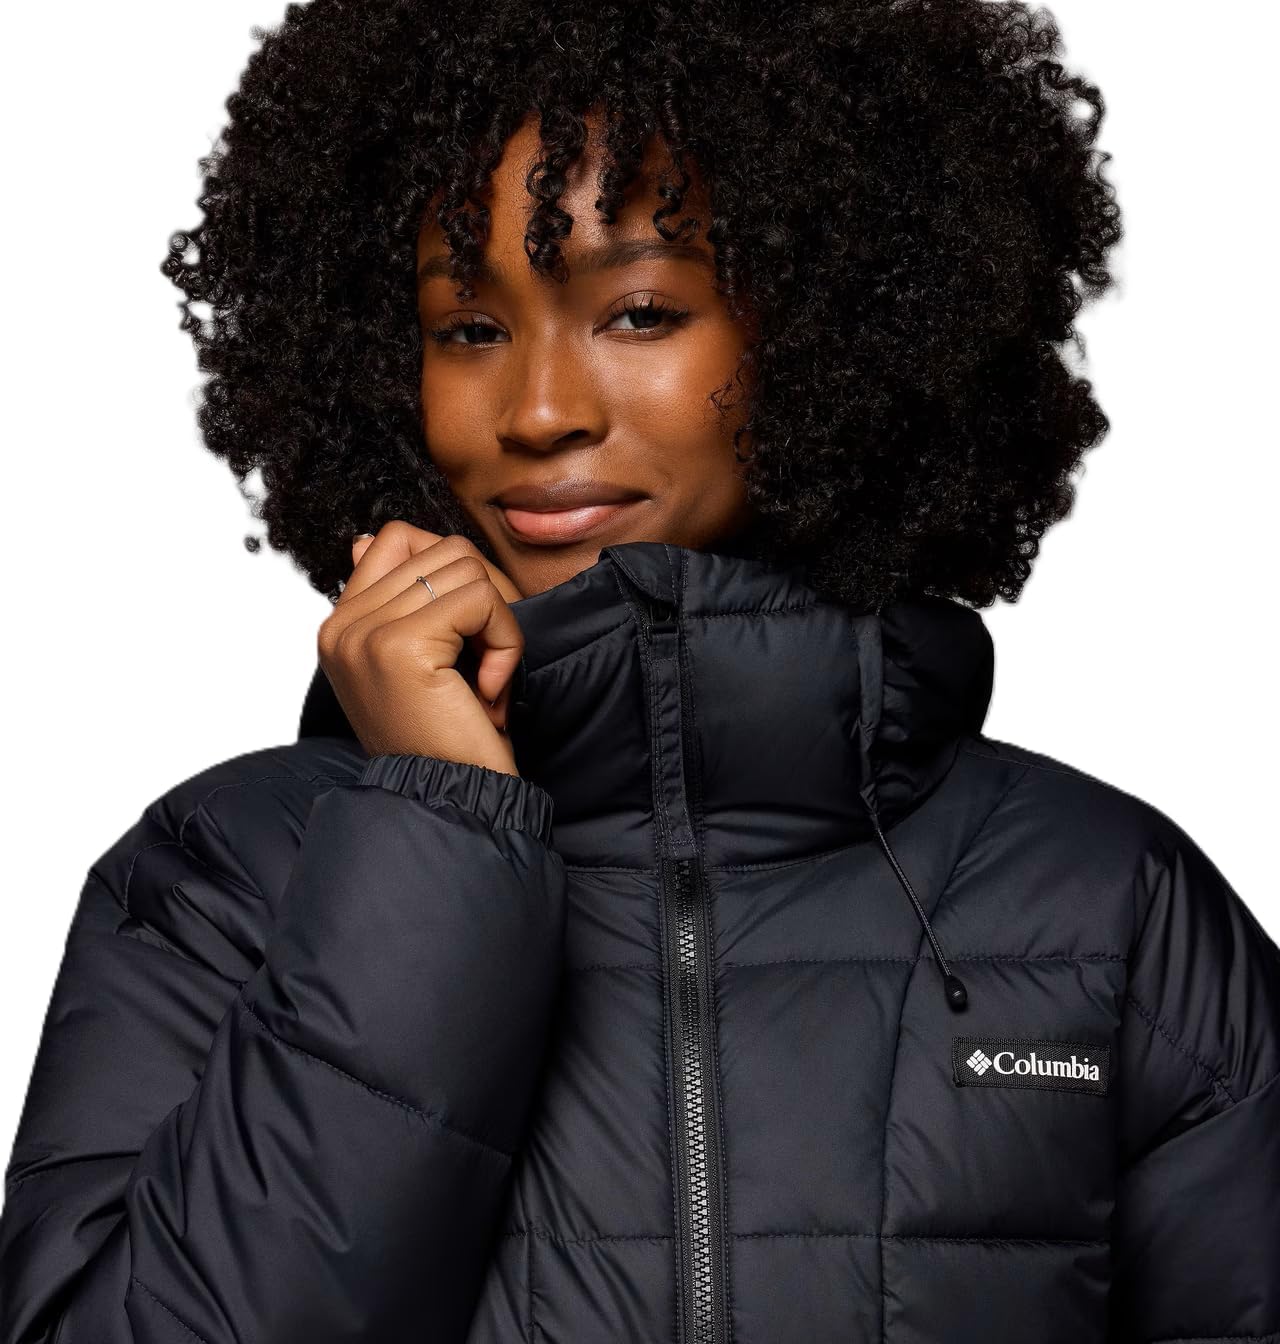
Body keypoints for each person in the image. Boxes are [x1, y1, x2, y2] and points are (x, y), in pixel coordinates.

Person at [2, 0, 1278, 1339]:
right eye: (468, 328)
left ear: (838, 322)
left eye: (643, 311)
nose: (540, 410)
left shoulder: (1110, 902)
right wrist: (434, 837)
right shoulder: (227, 876)